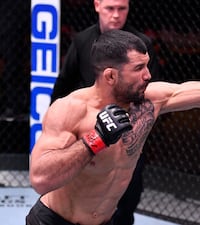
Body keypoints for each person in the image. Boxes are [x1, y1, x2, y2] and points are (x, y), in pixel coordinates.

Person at [26, 29, 200, 225]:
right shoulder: (71, 110)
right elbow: (40, 178)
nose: (148, 75)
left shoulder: (151, 100)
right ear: (111, 75)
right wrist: (95, 139)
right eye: (138, 69)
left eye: (147, 65)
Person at [51, 0, 160, 224]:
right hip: (88, 135)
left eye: (122, 9)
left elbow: (152, 92)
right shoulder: (83, 41)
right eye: (110, 8)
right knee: (80, 198)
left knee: (126, 200)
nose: (116, 15)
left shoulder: (141, 44)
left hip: (127, 133)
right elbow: (63, 84)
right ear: (97, 5)